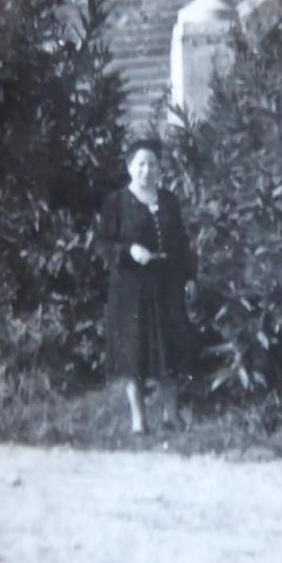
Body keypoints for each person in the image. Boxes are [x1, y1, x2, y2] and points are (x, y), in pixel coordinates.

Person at [96, 138, 197, 435]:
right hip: (130, 289)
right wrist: (128, 251)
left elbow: (180, 243)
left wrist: (190, 276)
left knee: (170, 351)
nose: (146, 170)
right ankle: (139, 422)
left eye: (152, 163)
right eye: (140, 163)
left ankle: (171, 416)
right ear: (129, 167)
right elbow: (103, 244)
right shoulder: (116, 202)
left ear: (159, 168)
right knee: (133, 354)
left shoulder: (168, 200)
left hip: (167, 285)